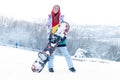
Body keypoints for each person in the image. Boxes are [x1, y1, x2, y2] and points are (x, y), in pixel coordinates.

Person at [46, 5, 76, 72]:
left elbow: (64, 27)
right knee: (51, 54)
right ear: (53, 9)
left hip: (60, 38)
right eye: (55, 8)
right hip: (52, 37)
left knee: (66, 54)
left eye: (57, 8)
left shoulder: (61, 17)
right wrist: (49, 37)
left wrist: (64, 35)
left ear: (59, 10)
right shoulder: (49, 17)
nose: (56, 9)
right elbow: (48, 28)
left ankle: (71, 67)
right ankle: (50, 67)